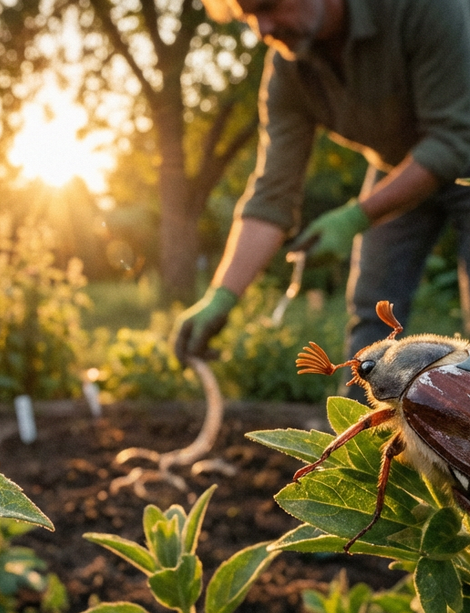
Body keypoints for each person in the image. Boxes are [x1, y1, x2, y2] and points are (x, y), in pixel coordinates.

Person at [173, 0, 470, 396]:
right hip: (402, 165)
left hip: (462, 142)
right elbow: (271, 195)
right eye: (249, 16)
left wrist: (354, 218)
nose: (262, 28)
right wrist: (221, 297)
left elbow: (453, 142)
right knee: (374, 317)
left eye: (269, 6)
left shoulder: (424, 8)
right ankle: (355, 448)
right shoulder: (288, 71)